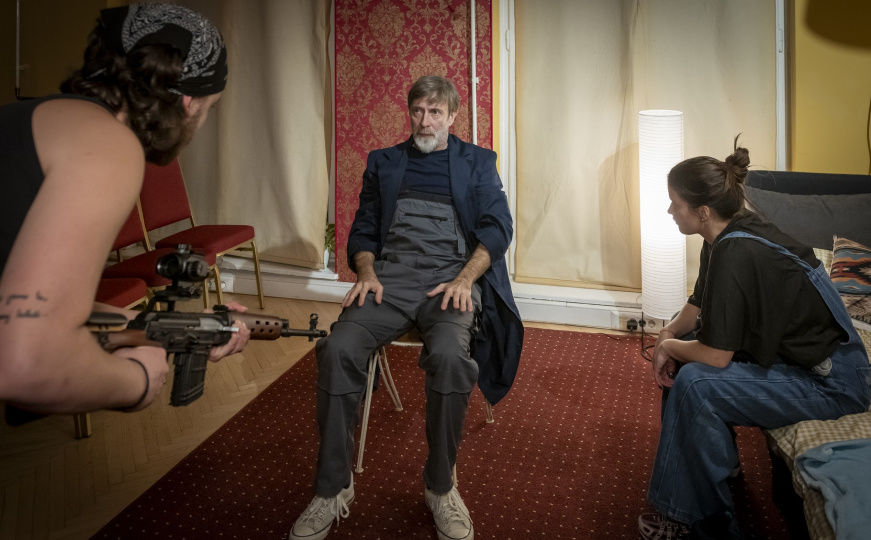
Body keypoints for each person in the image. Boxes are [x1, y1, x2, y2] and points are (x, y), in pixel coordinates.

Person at [289, 76, 523, 540]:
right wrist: (366, 272)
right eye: (418, 110)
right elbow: (364, 228)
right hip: (390, 279)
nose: (425, 121)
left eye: (435, 112)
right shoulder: (384, 162)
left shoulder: (479, 162)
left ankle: (440, 487)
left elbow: (498, 227)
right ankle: (332, 488)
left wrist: (465, 279)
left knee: (452, 358)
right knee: (338, 349)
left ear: (453, 116)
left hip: (450, 279)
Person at [0, 4, 249, 417]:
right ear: (188, 102)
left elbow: (23, 311)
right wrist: (138, 381)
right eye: (210, 108)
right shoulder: (108, 145)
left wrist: (167, 329)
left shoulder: (33, 119)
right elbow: (24, 366)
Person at [637, 138, 871, 539]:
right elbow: (697, 302)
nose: (669, 211)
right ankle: (717, 464)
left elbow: (716, 356)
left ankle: (704, 523)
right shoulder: (722, 234)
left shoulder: (737, 252)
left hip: (835, 383)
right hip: (803, 360)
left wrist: (668, 347)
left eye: (675, 204)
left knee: (696, 382)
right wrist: (670, 332)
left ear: (702, 211)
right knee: (685, 350)